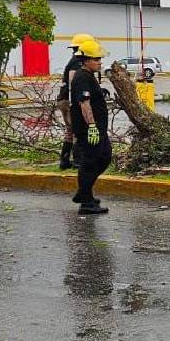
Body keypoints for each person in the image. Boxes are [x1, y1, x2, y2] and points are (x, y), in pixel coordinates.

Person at [70, 39, 112, 215]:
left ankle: (83, 192)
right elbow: (84, 104)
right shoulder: (81, 77)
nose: (100, 62)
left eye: (100, 59)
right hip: (90, 129)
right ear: (86, 60)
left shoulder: (88, 76)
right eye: (96, 59)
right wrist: (92, 126)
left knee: (105, 157)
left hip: (98, 128)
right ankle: (86, 202)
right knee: (90, 162)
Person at [56, 33, 94, 170]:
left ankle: (65, 161)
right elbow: (73, 82)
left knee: (71, 130)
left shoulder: (74, 60)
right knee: (78, 129)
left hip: (64, 99)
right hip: (69, 100)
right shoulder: (77, 62)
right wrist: (77, 103)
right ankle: (78, 161)